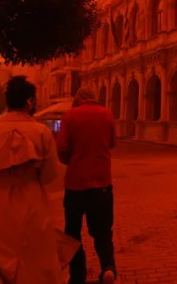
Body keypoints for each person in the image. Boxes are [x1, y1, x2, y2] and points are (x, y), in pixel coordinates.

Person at [0, 76, 64, 283]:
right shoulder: (42, 132)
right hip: (32, 203)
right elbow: (49, 176)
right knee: (35, 263)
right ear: (30, 101)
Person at [57, 86, 118, 284]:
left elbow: (62, 148)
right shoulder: (107, 114)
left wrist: (72, 160)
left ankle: (78, 275)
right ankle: (108, 268)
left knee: (73, 232)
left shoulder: (70, 116)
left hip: (75, 184)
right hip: (102, 183)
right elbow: (111, 143)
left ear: (78, 98)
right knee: (103, 230)